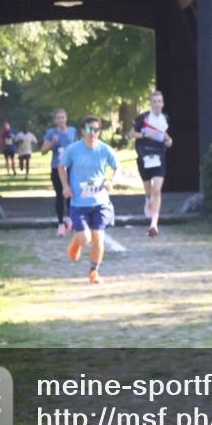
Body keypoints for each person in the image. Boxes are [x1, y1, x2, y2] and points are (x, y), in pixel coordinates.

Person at [60, 116, 119, 285]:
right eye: (89, 129)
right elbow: (61, 166)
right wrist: (65, 186)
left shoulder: (105, 150)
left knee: (98, 239)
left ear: (100, 131)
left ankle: (94, 271)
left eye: (96, 130)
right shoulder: (73, 149)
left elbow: (116, 167)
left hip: (100, 202)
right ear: (82, 131)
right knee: (85, 238)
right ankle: (76, 242)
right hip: (79, 203)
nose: (92, 133)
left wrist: (111, 181)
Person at [130, 90, 173, 237]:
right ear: (150, 103)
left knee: (157, 189)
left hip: (159, 156)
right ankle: (148, 199)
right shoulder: (143, 118)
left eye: (159, 101)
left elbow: (165, 136)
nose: (157, 104)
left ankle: (154, 223)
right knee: (149, 190)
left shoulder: (165, 118)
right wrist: (143, 135)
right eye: (154, 101)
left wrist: (169, 141)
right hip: (144, 155)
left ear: (163, 103)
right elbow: (131, 133)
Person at [40, 109, 77, 237]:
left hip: (72, 168)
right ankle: (61, 223)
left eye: (63, 117)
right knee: (60, 195)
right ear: (55, 120)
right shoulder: (52, 133)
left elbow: (79, 146)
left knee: (72, 194)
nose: (61, 120)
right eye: (58, 118)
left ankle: (72, 220)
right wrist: (52, 142)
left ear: (66, 119)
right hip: (57, 167)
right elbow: (43, 150)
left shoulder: (73, 131)